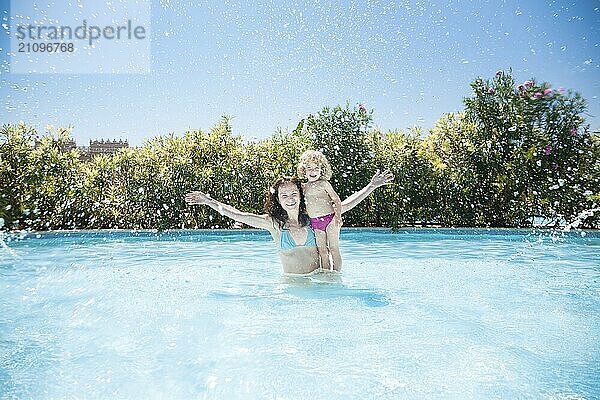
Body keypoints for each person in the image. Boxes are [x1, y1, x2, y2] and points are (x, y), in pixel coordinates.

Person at [184, 170, 394, 275]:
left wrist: (371, 186)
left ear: (301, 196)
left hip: (320, 283)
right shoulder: (274, 225)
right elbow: (237, 214)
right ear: (278, 199)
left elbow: (346, 204)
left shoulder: (314, 221)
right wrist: (207, 201)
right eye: (284, 196)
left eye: (294, 193)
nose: (290, 198)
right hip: (291, 289)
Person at [297, 150, 342, 271]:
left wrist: (338, 217)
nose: (313, 172)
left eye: (316, 168)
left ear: (321, 170)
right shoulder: (304, 187)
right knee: (322, 250)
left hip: (331, 219)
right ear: (303, 170)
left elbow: (336, 200)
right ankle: (326, 273)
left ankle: (337, 274)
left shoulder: (324, 184)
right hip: (316, 222)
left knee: (333, 248)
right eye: (309, 168)